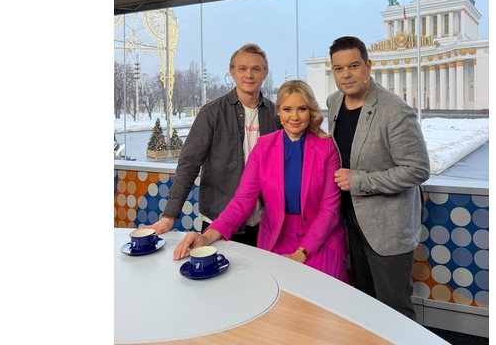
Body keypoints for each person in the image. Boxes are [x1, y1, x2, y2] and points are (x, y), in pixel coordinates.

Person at [173, 80, 348, 283]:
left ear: (310, 111)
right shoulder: (263, 146)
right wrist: (206, 237)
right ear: (278, 112)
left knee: (321, 289)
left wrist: (302, 253)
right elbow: (242, 200)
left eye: (302, 109)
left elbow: (329, 210)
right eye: (287, 109)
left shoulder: (326, 147)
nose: (295, 116)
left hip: (320, 239)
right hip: (276, 236)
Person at [326, 36, 430, 320]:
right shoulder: (334, 102)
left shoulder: (394, 109)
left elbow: (418, 169)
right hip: (353, 220)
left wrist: (360, 181)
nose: (346, 74)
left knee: (394, 308)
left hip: (388, 227)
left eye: (353, 66)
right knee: (365, 300)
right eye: (338, 68)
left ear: (368, 66)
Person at [142, 43, 280, 247]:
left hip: (264, 223)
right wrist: (170, 215)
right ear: (232, 72)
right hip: (219, 221)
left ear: (265, 73)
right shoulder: (211, 114)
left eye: (256, 69)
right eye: (242, 68)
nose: (249, 75)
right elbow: (188, 164)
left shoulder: (276, 115)